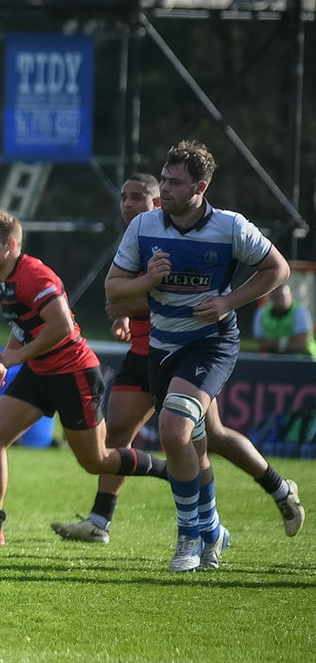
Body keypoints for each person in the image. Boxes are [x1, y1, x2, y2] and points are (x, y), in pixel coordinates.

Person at [54, 175, 303, 544]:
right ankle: (100, 520)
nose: (128, 204)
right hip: (145, 354)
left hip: (185, 354)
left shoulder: (177, 236)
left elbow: (164, 297)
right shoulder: (139, 235)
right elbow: (117, 295)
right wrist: (126, 309)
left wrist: (134, 301)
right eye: (124, 197)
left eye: (137, 197)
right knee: (119, 432)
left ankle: (274, 489)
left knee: (210, 438)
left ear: (158, 202)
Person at [105, 140, 290, 570]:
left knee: (174, 431)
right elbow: (114, 290)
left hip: (211, 343)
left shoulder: (230, 227)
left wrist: (229, 302)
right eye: (163, 179)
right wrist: (148, 280)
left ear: (200, 187)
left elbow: (277, 269)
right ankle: (213, 529)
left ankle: (188, 537)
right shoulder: (144, 226)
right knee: (198, 444)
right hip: (163, 347)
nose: (165, 189)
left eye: (174, 182)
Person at [0, 210, 169, 548]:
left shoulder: (35, 276)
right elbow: (23, 325)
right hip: (40, 372)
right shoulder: (1, 279)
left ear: (10, 246)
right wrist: (7, 360)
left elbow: (62, 326)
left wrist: (18, 357)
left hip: (73, 373)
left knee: (96, 461)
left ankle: (171, 472)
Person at [253, 283, 314, 357]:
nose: (280, 300)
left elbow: (300, 345)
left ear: (291, 295)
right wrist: (289, 341)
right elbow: (261, 344)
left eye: (283, 296)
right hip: (273, 359)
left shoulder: (300, 312)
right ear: (271, 298)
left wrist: (272, 344)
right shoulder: (262, 312)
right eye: (276, 297)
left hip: (305, 359)